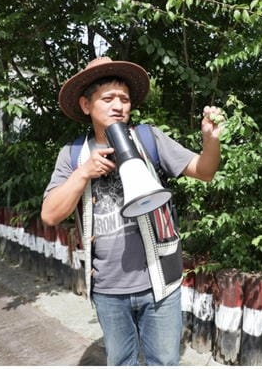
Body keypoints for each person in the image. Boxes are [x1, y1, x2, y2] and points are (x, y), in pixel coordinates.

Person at [40, 56, 226, 366]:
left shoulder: (148, 139)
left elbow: (205, 171)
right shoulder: (73, 155)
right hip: (108, 288)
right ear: (86, 105)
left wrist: (211, 141)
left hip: (160, 283)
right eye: (108, 98)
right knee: (121, 362)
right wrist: (83, 173)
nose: (118, 106)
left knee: (164, 362)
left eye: (124, 99)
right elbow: (50, 215)